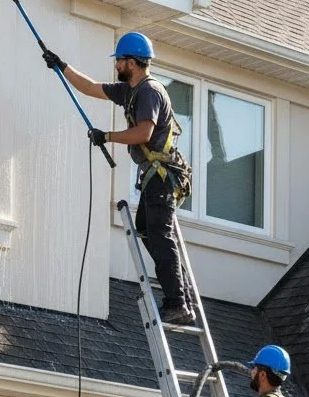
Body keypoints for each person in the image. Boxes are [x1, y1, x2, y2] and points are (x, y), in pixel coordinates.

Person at [42, 32, 197, 326]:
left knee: (160, 237)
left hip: (162, 177)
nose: (116, 66)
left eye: (119, 61)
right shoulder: (129, 91)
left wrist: (108, 136)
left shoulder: (149, 91)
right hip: (155, 177)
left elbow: (144, 133)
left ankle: (178, 303)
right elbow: (90, 87)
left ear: (132, 62)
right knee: (148, 231)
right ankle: (180, 296)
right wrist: (61, 66)